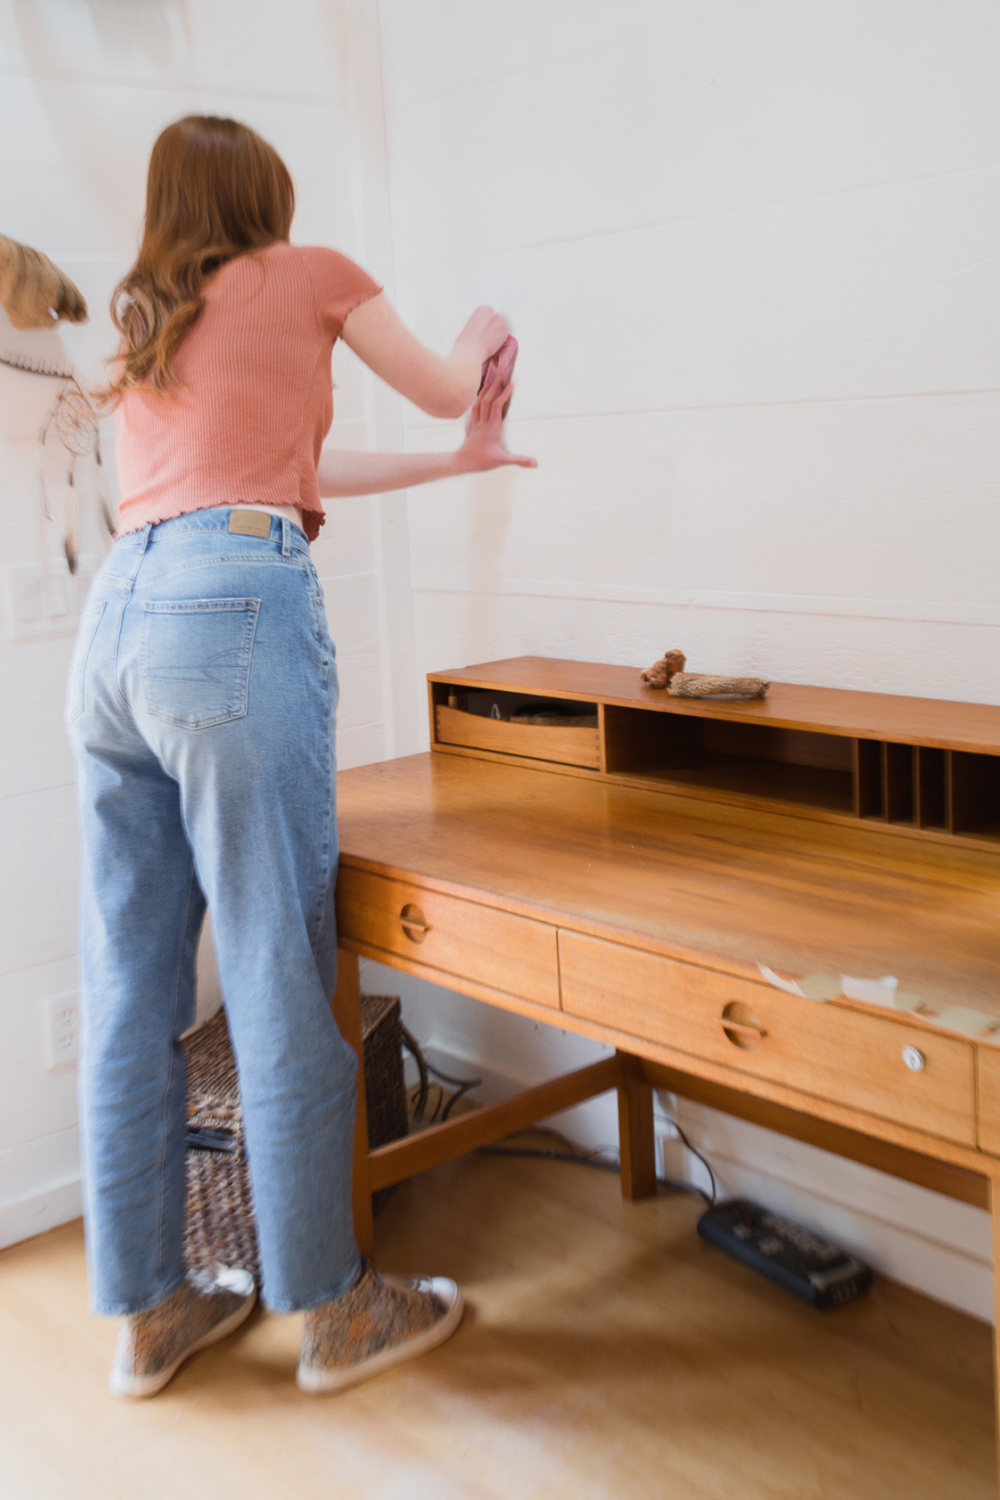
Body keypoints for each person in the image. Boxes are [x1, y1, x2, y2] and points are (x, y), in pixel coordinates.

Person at [66, 113, 536, 1400]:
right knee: (278, 969)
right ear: (265, 197)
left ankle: (152, 1314)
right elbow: (440, 376)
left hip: (115, 631)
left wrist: (454, 465)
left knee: (129, 987)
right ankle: (334, 1313)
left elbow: (290, 462)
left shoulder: (152, 320)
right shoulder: (312, 269)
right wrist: (480, 342)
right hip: (228, 618)